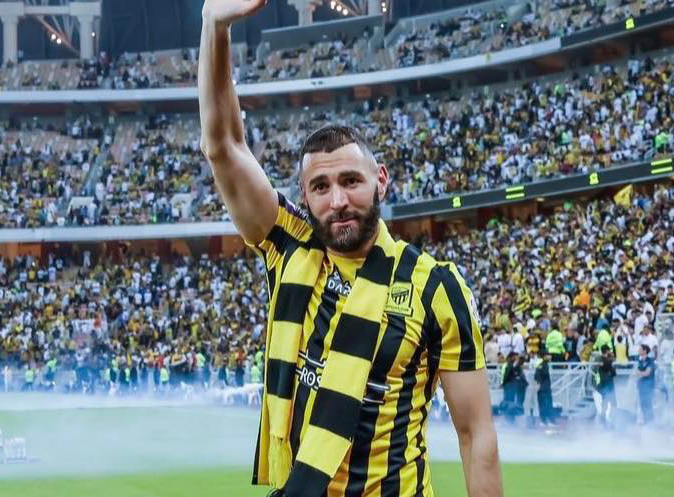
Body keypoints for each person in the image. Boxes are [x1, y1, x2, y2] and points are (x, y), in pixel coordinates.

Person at [198, 2, 501, 496]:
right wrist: (215, 26)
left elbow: (475, 434)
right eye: (320, 187)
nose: (338, 201)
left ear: (380, 179)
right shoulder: (289, 248)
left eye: (350, 181)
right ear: (304, 197)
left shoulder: (435, 287)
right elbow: (224, 147)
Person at [595, 345, 616, 428]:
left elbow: (613, 373)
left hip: (609, 384)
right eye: (609, 350)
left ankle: (611, 419)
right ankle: (604, 420)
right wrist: (610, 359)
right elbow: (606, 366)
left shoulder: (607, 360)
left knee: (612, 403)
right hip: (604, 385)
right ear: (607, 351)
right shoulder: (601, 359)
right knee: (606, 403)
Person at [636, 344, 656, 425]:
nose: (638, 351)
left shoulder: (650, 361)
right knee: (643, 405)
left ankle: (651, 422)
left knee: (648, 404)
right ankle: (646, 422)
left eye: (640, 349)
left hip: (648, 386)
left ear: (644, 351)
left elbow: (647, 373)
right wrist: (642, 373)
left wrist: (641, 373)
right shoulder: (640, 361)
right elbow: (637, 373)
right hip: (641, 386)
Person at [534, 353, 555, 426]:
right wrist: (539, 384)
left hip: (546, 387)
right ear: (544, 356)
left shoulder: (545, 365)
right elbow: (537, 376)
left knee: (548, 404)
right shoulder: (541, 365)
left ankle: (548, 420)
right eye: (548, 355)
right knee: (544, 404)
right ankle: (545, 420)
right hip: (543, 388)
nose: (550, 357)